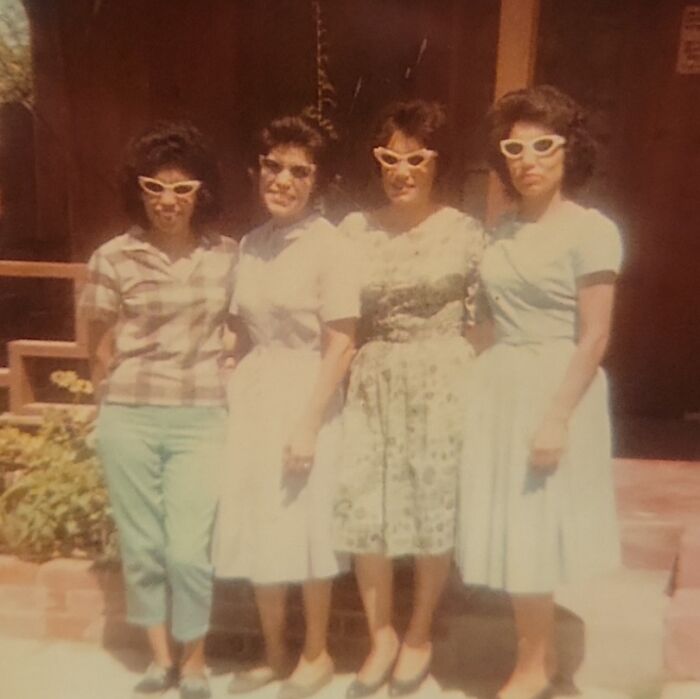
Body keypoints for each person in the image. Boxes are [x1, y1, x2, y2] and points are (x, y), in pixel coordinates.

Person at [456, 85, 623, 699]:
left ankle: (534, 666)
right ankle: (537, 658)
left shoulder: (592, 230)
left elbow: (596, 334)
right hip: (499, 383)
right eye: (514, 147)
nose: (527, 158)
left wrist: (556, 417)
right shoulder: (499, 233)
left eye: (543, 145)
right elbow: (484, 324)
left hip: (558, 384)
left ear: (567, 150)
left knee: (534, 529)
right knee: (512, 526)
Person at [334, 99, 484, 697]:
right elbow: (335, 312)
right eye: (388, 159)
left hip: (444, 375)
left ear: (435, 164)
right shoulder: (354, 230)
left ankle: (418, 632)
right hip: (374, 375)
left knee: (432, 507)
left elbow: (489, 316)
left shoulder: (465, 230)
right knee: (365, 507)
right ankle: (381, 636)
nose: (402, 171)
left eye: (416, 159)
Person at [80, 121, 235, 699]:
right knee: (143, 545)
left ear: (202, 192)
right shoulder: (112, 258)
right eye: (154, 187)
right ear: (137, 190)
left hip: (201, 416)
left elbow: (242, 325)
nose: (168, 201)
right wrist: (108, 402)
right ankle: (159, 659)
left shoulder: (228, 256)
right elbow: (96, 340)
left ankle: (195, 660)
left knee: (188, 548)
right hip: (131, 417)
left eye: (182, 188)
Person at [213, 112, 359, 699]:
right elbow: (239, 328)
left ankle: (316, 655)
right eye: (273, 166)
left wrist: (308, 423)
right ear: (258, 170)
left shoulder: (332, 247)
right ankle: (274, 655)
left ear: (317, 182)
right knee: (260, 528)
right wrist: (225, 369)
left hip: (310, 393)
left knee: (306, 528)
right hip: (254, 394)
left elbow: (343, 341)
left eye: (300, 171)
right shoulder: (250, 245)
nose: (283, 179)